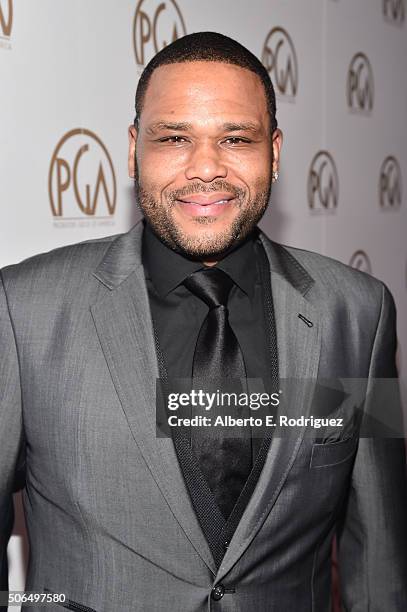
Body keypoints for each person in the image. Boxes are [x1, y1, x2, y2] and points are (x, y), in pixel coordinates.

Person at [1, 31, 406, 612]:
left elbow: (380, 558)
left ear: (275, 150)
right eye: (174, 138)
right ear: (135, 147)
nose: (206, 169)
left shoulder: (358, 313)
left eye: (235, 138)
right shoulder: (22, 309)